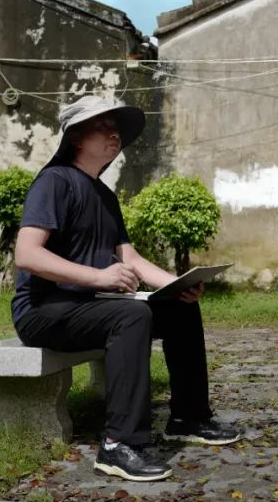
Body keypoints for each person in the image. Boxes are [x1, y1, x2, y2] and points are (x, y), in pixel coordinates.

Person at [12, 95, 241, 482]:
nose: (114, 135)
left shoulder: (104, 194)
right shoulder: (55, 181)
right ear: (77, 137)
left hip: (89, 306)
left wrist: (179, 284)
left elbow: (130, 259)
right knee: (132, 314)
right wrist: (99, 277)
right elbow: (27, 254)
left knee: (179, 307)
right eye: (104, 127)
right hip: (43, 310)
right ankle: (119, 444)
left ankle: (188, 416)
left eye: (117, 129)